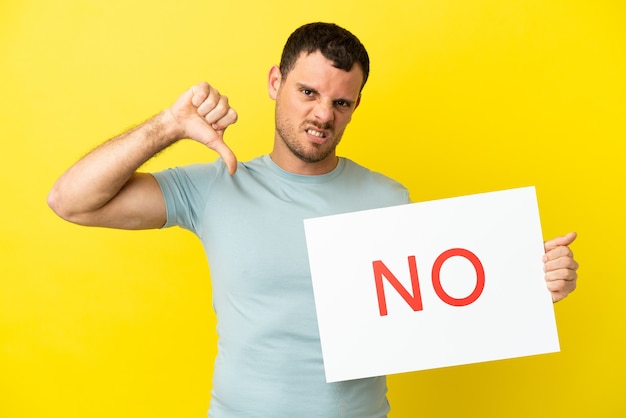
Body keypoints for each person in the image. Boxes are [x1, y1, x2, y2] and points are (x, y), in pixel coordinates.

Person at [48, 22, 579, 417]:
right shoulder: (214, 186)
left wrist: (526, 287)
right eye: (308, 92)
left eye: (342, 102)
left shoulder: (388, 197)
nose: (323, 114)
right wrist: (168, 125)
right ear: (276, 81)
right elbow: (72, 201)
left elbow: (435, 306)